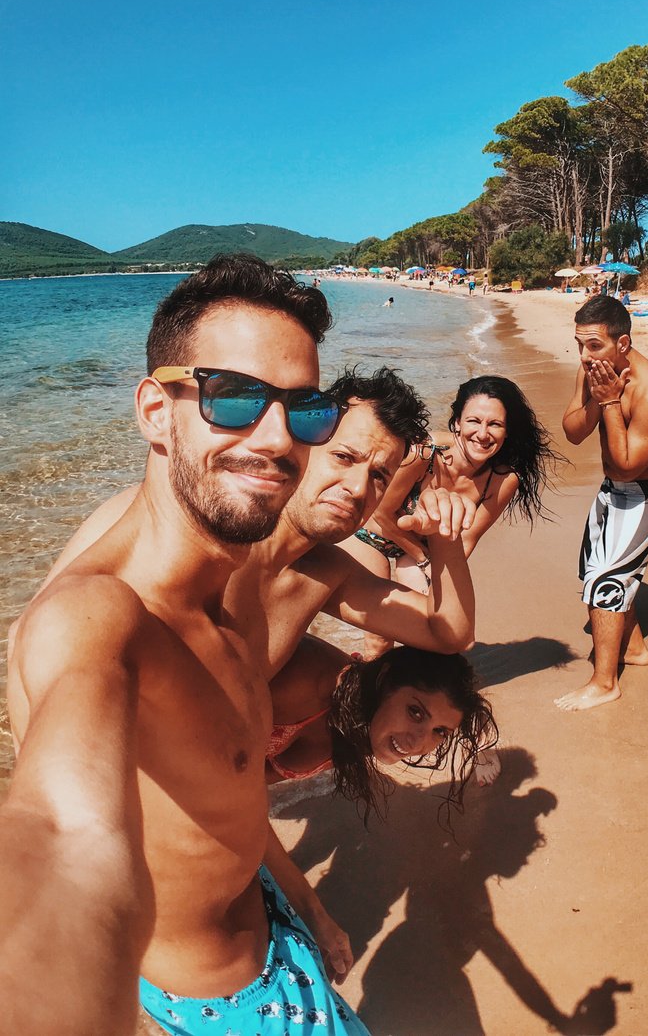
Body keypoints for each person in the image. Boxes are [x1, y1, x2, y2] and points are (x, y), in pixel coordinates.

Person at [4, 254, 375, 1035]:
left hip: (278, 933)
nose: (277, 441)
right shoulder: (105, 613)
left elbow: (227, 802)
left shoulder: (233, 554)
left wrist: (307, 905)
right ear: (154, 411)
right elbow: (63, 835)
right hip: (204, 1012)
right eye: (232, 398)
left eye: (304, 409)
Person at [345, 374, 559, 634]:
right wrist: (422, 558)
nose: (482, 434)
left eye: (495, 424)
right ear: (457, 423)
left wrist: (437, 579)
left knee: (431, 625)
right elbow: (381, 513)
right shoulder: (423, 453)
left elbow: (466, 541)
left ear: (507, 431)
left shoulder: (503, 479)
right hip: (372, 535)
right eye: (473, 421)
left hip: (418, 552)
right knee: (380, 635)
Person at [558, 294, 648, 713]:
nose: (584, 355)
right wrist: (596, 396)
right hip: (615, 489)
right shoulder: (594, 371)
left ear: (623, 344)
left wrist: (609, 401)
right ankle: (634, 649)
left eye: (594, 345)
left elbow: (628, 466)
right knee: (592, 569)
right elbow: (574, 432)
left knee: (607, 580)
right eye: (579, 345)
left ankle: (604, 683)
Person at [267, 641, 496, 825]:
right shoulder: (301, 683)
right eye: (415, 712)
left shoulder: (365, 728)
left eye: (440, 731)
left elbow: (252, 785)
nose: (417, 743)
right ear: (384, 680)